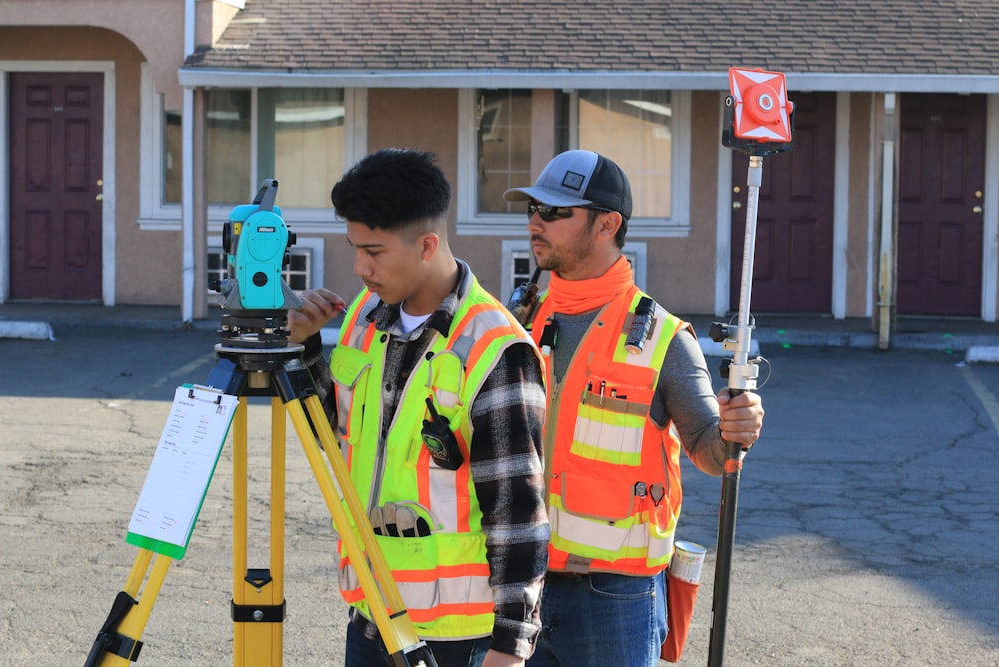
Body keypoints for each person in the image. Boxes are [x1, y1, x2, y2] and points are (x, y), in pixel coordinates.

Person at [287, 148, 549, 667]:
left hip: (458, 638)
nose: (360, 267)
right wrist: (305, 349)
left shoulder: (494, 347)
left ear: (427, 244)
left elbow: (518, 508)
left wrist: (510, 646)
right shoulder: (364, 317)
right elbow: (334, 439)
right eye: (354, 248)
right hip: (371, 615)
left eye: (375, 251)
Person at [502, 150, 765, 667]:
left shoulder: (664, 339)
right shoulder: (515, 322)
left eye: (555, 211)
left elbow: (711, 453)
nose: (536, 221)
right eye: (533, 208)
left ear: (608, 224)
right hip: (514, 584)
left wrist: (739, 428)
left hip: (614, 600)